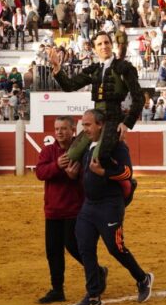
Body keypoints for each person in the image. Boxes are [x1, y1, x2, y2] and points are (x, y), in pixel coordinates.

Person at [71, 109, 153, 305]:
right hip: (89, 205)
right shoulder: (87, 147)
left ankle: (142, 278)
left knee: (115, 247)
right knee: (85, 247)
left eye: (88, 125)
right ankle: (93, 295)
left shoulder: (116, 146)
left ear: (100, 125)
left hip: (109, 204)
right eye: (83, 125)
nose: (85, 129)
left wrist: (104, 172)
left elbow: (127, 173)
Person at [49, 32, 143, 194]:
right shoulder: (94, 70)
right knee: (70, 156)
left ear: (111, 44)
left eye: (106, 42)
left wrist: (126, 123)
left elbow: (139, 98)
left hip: (113, 119)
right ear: (94, 49)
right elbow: (70, 85)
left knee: (99, 157)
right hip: (94, 119)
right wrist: (57, 69)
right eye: (99, 44)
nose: (104, 46)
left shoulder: (124, 68)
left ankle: (127, 185)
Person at [35, 116, 100, 304]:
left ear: (73, 130)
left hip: (74, 209)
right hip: (53, 210)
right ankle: (57, 289)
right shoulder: (48, 151)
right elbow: (40, 173)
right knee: (53, 251)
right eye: (56, 129)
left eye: (63, 128)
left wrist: (75, 176)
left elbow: (89, 180)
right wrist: (57, 166)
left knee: (75, 247)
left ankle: (95, 272)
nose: (59, 132)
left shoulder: (83, 152)